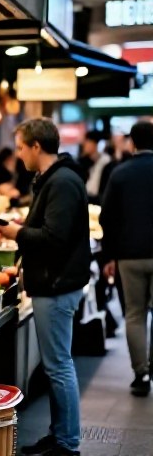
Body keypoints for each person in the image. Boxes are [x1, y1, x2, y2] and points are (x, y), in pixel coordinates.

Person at [0, 119, 90, 456]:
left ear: (36, 146)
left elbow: (54, 238)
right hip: (54, 281)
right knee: (56, 364)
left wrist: (14, 233)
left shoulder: (61, 182)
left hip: (57, 284)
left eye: (21, 147)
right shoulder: (53, 179)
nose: (18, 154)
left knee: (59, 365)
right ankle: (59, 435)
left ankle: (67, 444)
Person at [99, 121, 153, 397]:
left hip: (129, 255)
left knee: (134, 314)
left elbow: (106, 217)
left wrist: (109, 254)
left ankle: (141, 374)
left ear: (132, 143)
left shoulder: (120, 173)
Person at [81, 131, 112, 204]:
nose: (84, 145)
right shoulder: (84, 161)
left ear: (94, 144)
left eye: (87, 142)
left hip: (99, 201)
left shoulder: (106, 162)